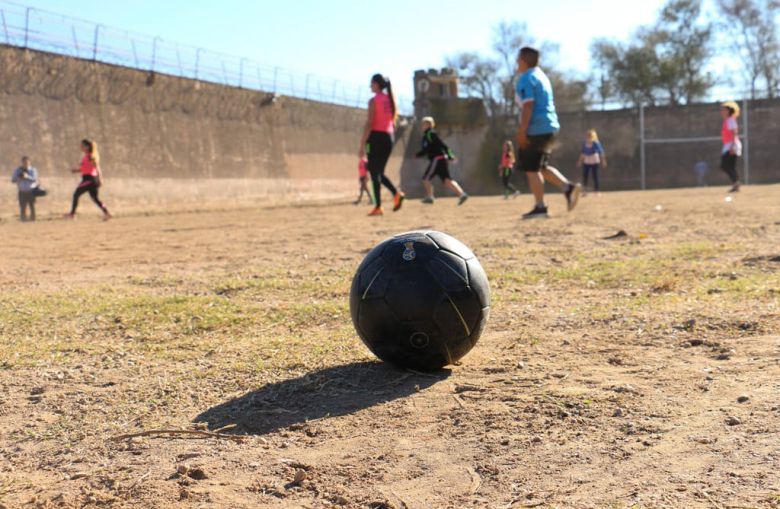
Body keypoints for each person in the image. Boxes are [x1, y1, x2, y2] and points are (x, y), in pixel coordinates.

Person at [515, 46, 581, 219]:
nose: (516, 62)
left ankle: (540, 207)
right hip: (550, 126)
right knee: (540, 166)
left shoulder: (527, 78)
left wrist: (522, 131)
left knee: (531, 168)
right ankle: (568, 188)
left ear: (523, 60)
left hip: (536, 128)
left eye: (518, 59)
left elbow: (528, 106)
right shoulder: (541, 76)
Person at [358, 74, 404, 216]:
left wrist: (362, 144)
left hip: (375, 138)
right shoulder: (390, 100)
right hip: (388, 138)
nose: (370, 86)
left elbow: (370, 123)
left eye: (371, 83)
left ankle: (378, 206)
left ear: (377, 84)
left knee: (374, 173)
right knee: (379, 173)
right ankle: (396, 195)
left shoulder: (373, 100)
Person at [415, 116, 468, 205]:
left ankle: (430, 197)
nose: (422, 126)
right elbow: (430, 148)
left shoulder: (430, 134)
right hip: (441, 160)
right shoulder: (428, 135)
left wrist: (451, 155)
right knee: (447, 180)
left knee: (426, 178)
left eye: (423, 124)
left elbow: (441, 146)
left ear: (429, 125)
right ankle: (462, 194)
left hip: (437, 159)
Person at [66, 139, 111, 220]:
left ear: (87, 147)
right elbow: (85, 168)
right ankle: (107, 213)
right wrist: (76, 170)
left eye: (82, 146)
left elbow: (97, 167)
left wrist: (100, 179)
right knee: (95, 199)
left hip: (90, 180)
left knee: (76, 194)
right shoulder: (86, 156)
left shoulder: (91, 156)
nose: (81, 147)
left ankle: (72, 214)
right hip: (89, 179)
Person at [720, 101, 742, 193]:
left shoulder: (730, 120)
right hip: (728, 145)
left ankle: (736, 183)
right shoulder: (727, 120)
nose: (722, 111)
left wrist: (732, 147)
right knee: (730, 166)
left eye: (724, 109)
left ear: (729, 111)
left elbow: (734, 132)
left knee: (725, 165)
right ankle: (736, 184)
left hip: (731, 145)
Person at [576, 129, 607, 195]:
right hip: (586, 161)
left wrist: (603, 161)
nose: (588, 136)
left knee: (595, 176)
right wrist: (579, 161)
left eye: (590, 135)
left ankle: (597, 191)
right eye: (588, 135)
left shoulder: (596, 143)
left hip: (595, 161)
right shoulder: (585, 143)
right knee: (585, 177)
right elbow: (583, 153)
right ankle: (585, 191)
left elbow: (601, 152)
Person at [11, 156, 39, 222]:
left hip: (31, 191)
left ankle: (33, 219)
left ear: (29, 162)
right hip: (22, 191)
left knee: (32, 206)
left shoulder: (33, 170)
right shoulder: (18, 170)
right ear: (22, 163)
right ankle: (23, 220)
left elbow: (35, 179)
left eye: (27, 162)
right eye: (24, 162)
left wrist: (27, 177)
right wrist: (19, 178)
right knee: (22, 207)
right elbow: (13, 180)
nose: (25, 164)